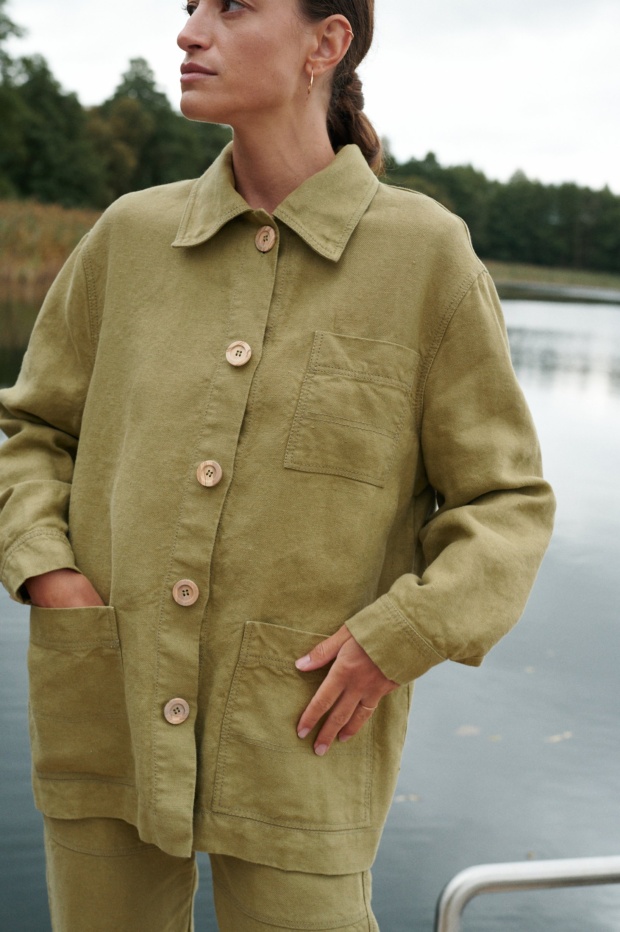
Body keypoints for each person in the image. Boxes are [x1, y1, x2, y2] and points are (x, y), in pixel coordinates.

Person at [0, 0, 555, 929]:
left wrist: (400, 636)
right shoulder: (128, 237)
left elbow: (506, 503)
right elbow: (33, 431)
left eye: (232, 7)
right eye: (189, 8)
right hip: (107, 702)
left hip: (306, 731)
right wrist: (49, 574)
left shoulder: (424, 257)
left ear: (325, 43)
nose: (189, 32)